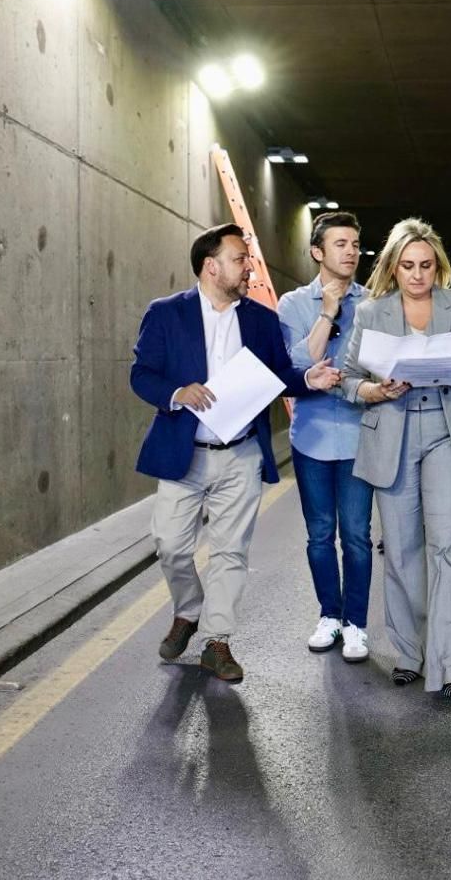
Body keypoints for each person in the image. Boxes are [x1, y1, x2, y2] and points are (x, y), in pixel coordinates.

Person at [131, 223, 342, 683]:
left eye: (247, 258)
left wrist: (309, 380)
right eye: (239, 257)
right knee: (170, 544)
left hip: (241, 453)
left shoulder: (261, 320)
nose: (248, 265)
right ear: (211, 266)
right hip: (183, 453)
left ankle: (216, 642)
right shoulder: (167, 314)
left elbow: (281, 374)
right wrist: (176, 392)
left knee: (230, 552)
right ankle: (188, 611)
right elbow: (141, 374)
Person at [339, 218, 451, 698]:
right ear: (393, 267)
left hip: (447, 433)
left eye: (426, 266)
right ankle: (411, 652)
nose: (417, 275)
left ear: (438, 267)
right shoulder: (372, 313)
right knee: (402, 549)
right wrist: (375, 388)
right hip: (393, 430)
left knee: (447, 547)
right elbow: (349, 379)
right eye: (407, 266)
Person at [276, 212, 374, 663]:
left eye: (355, 244)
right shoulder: (292, 304)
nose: (351, 251)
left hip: (359, 435)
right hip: (311, 436)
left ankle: (356, 624)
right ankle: (328, 616)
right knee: (319, 535)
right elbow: (295, 366)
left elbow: (377, 365)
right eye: (340, 244)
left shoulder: (374, 304)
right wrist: (328, 312)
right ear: (318, 251)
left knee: (356, 535)